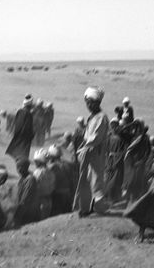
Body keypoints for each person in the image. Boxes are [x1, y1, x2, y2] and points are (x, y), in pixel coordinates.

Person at [74, 86, 110, 216]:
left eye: (90, 103)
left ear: (96, 103)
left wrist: (84, 147)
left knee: (95, 181)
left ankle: (97, 208)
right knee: (87, 180)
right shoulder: (92, 117)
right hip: (88, 153)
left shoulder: (101, 118)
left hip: (95, 153)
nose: (88, 105)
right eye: (87, 103)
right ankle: (85, 208)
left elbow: (95, 138)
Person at [123, 120, 152, 203]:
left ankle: (135, 200)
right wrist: (131, 123)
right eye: (136, 127)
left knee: (137, 181)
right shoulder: (133, 136)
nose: (137, 129)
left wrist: (142, 161)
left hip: (139, 163)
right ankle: (131, 199)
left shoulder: (145, 138)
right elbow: (121, 130)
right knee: (130, 181)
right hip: (131, 162)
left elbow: (148, 151)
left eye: (139, 127)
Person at [13, 158, 40, 227]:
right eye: (17, 168)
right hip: (25, 208)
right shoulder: (23, 178)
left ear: (25, 168)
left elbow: (25, 198)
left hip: (28, 211)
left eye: (19, 168)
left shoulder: (30, 179)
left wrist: (18, 212)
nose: (18, 170)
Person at [46, 145, 73, 216]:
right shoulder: (67, 164)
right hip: (68, 194)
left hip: (57, 195)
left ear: (51, 156)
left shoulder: (51, 167)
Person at [6, 96, 35, 161]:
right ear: (29, 106)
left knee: (16, 145)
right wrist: (31, 134)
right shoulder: (28, 114)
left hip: (18, 132)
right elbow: (28, 126)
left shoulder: (20, 111)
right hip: (25, 134)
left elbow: (16, 122)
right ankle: (21, 159)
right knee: (23, 148)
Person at [32, 149, 55, 220]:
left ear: (39, 162)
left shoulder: (37, 172)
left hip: (40, 201)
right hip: (49, 200)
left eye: (36, 161)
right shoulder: (50, 171)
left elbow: (34, 186)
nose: (35, 163)